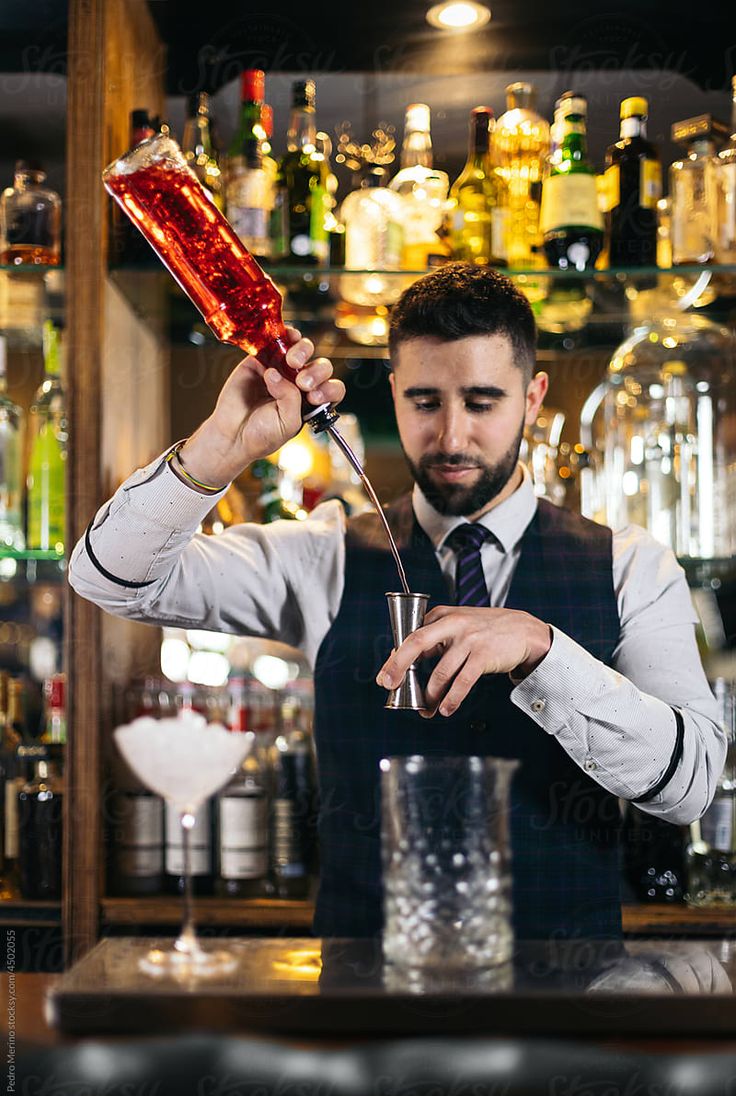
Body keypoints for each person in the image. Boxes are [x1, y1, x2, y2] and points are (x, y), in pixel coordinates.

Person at [68, 263, 725, 940]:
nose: (451, 437)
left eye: (481, 402)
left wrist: (544, 651)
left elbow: (691, 787)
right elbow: (109, 579)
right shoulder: (322, 556)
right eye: (423, 401)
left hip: (571, 1001)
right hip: (365, 999)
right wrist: (214, 452)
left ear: (532, 398)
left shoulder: (630, 565)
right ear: (393, 392)